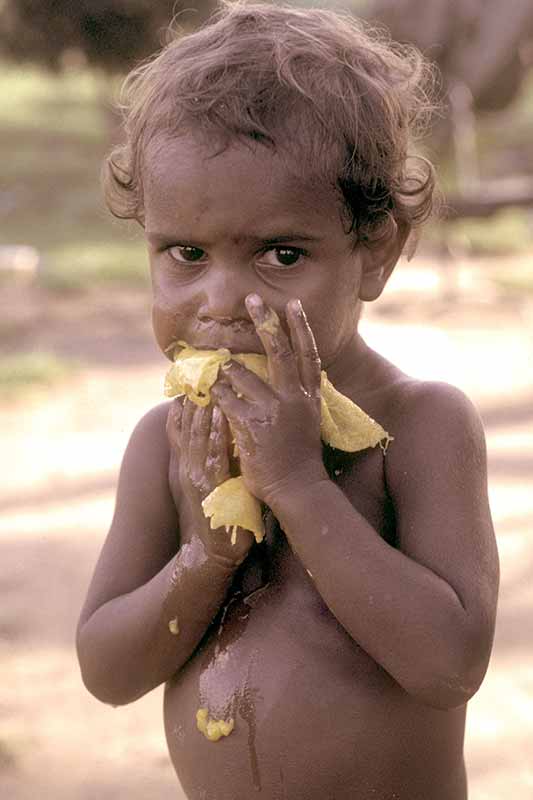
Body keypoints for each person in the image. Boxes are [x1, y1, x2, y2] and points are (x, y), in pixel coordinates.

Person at [76, 3, 499, 798]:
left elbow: (448, 666)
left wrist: (299, 487)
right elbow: (107, 670)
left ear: (375, 254)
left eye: (280, 254)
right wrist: (206, 557)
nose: (223, 299)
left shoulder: (421, 427)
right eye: (186, 253)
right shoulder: (164, 445)